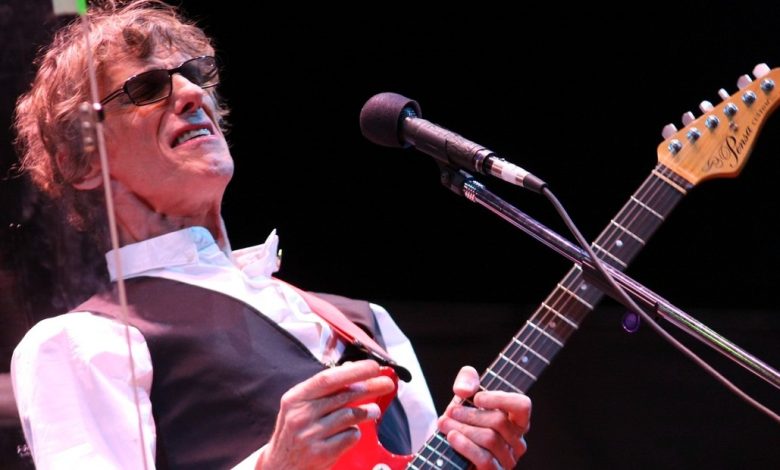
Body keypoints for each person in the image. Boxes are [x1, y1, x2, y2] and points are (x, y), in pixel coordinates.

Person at [10, 1, 531, 468]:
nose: (191, 93)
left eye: (194, 74)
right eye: (146, 89)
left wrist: (473, 457)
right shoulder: (82, 343)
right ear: (80, 162)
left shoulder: (366, 322)